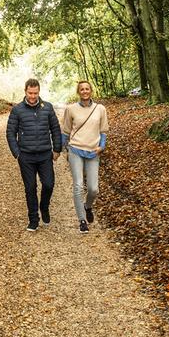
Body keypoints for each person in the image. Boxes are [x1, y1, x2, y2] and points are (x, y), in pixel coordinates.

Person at [6, 78, 63, 232]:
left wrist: (57, 149)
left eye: (35, 93)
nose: (32, 96)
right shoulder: (17, 110)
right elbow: (10, 133)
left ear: (39, 92)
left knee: (49, 184)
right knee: (30, 188)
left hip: (45, 154)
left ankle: (44, 207)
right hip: (26, 156)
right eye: (30, 93)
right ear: (25, 91)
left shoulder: (48, 108)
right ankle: (33, 219)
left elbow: (56, 129)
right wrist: (17, 153)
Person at [60, 80, 110, 233]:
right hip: (76, 149)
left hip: (93, 151)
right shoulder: (71, 109)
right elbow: (66, 131)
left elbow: (103, 130)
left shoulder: (100, 109)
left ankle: (87, 206)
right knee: (78, 185)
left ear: (91, 91)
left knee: (93, 189)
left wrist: (101, 146)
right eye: (82, 89)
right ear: (78, 92)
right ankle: (82, 220)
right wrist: (65, 149)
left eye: (87, 89)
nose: (85, 91)